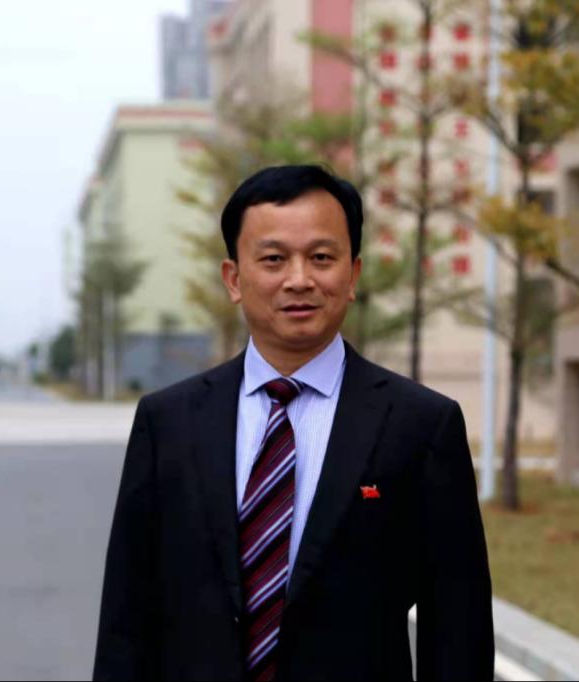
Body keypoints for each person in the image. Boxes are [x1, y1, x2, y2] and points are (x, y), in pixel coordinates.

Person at [93, 165, 493, 681]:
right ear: (234, 279)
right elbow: (127, 616)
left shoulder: (421, 426)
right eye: (274, 259)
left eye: (321, 258)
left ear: (353, 275)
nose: (299, 279)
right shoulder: (168, 422)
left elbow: (458, 628)